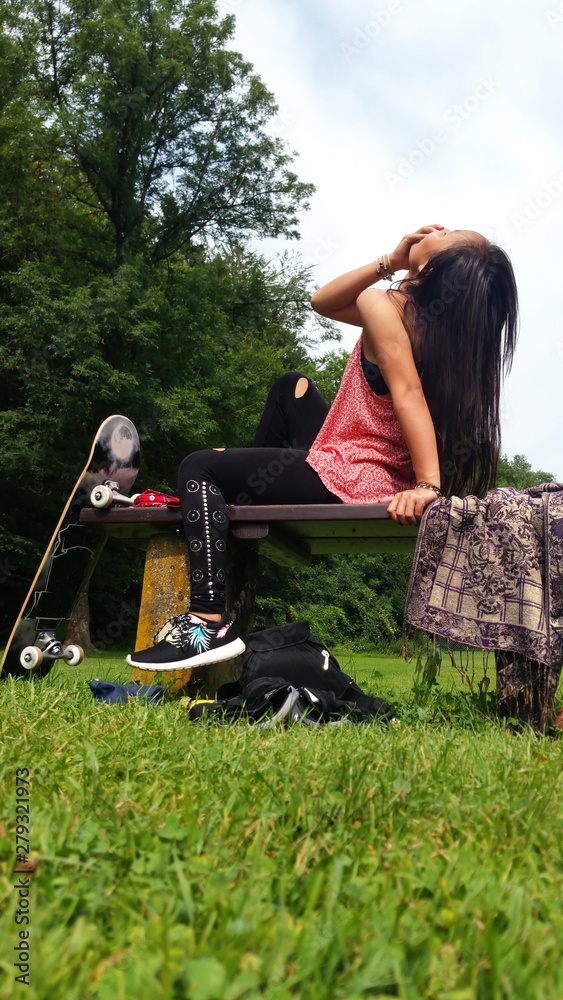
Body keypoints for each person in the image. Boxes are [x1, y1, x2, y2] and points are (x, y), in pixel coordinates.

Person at [127, 223, 518, 671]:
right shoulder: (434, 328)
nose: (437, 226)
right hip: (365, 461)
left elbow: (408, 393)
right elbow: (322, 302)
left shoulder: (383, 305)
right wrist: (393, 260)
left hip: (357, 472)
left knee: (199, 467)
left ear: (431, 266)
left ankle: (207, 622)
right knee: (290, 387)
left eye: (448, 233)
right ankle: (239, 500)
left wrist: (430, 485)